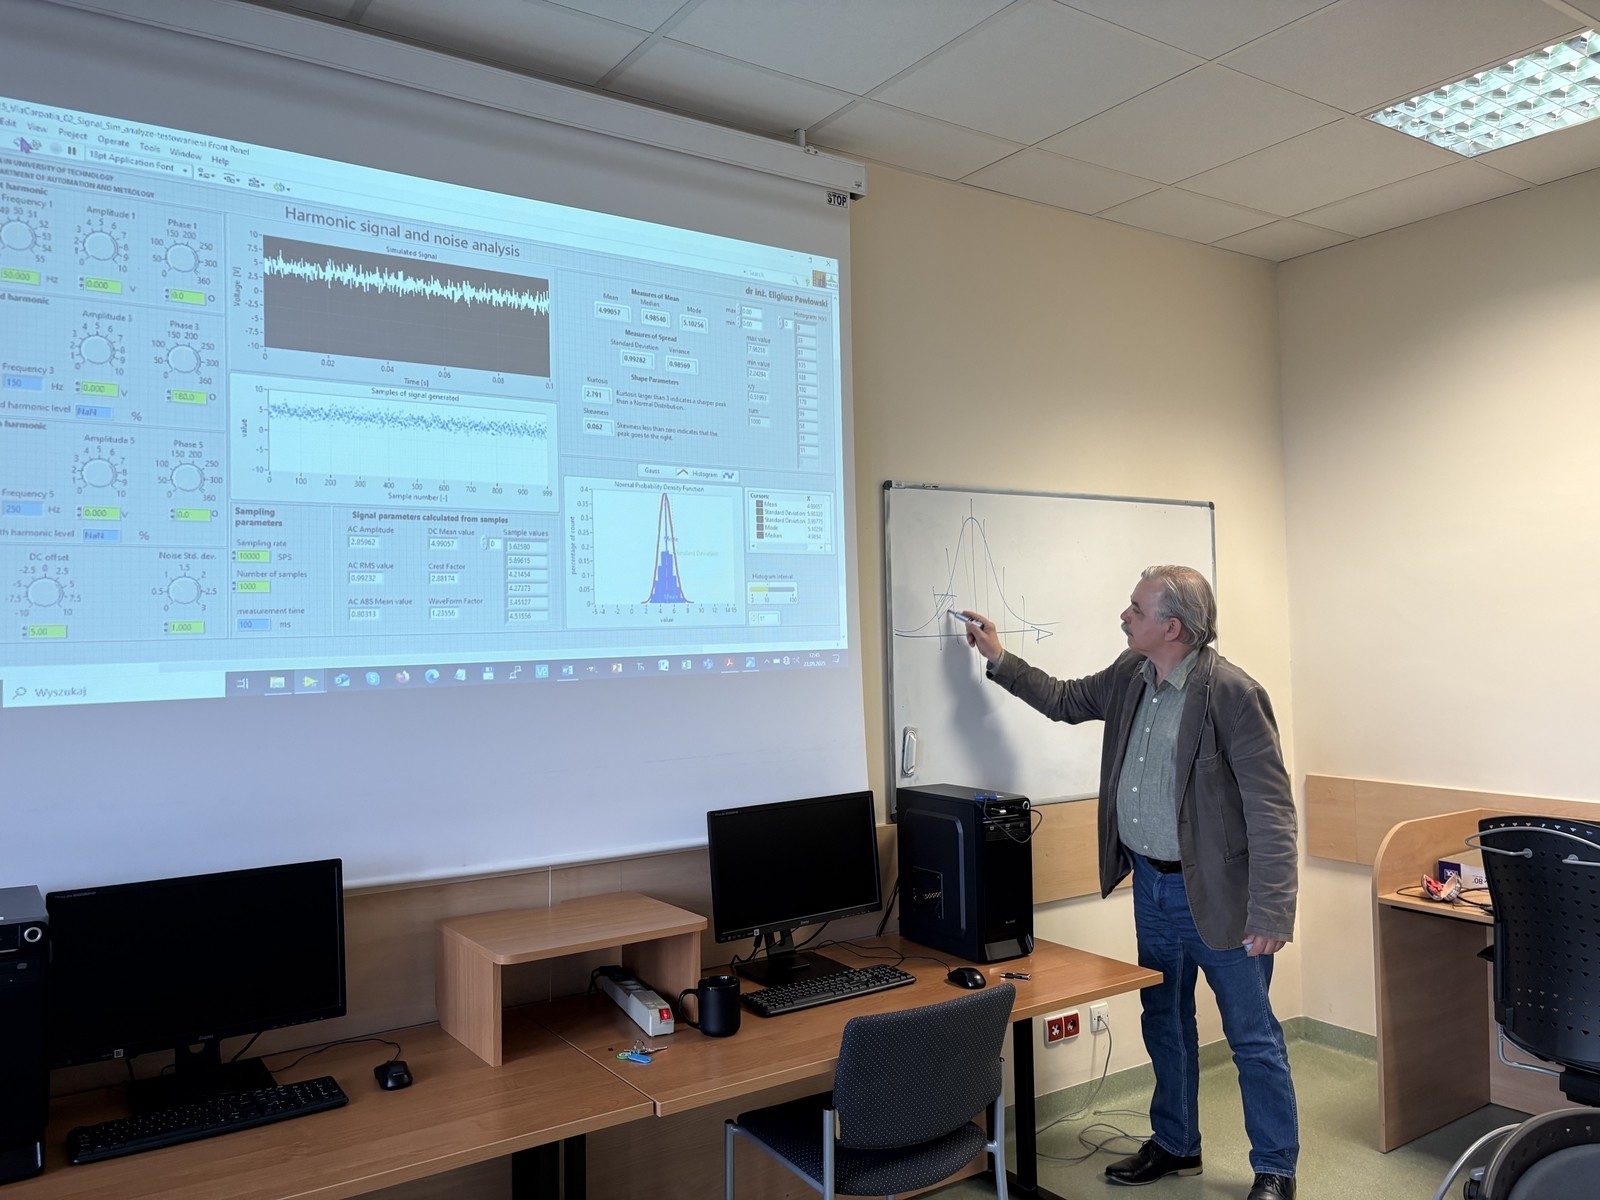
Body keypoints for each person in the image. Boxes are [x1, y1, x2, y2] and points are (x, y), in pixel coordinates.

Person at [959, 565, 1298, 1200]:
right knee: (1163, 1018)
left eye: (1136, 610)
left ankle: (1275, 1168)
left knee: (1252, 1038)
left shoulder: (1232, 694)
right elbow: (1064, 700)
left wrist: (1273, 913)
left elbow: (1272, 811)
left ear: (1173, 627)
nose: (1124, 616)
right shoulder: (1129, 673)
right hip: (1152, 886)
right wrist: (999, 658)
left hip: (1221, 900)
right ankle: (1176, 1143)